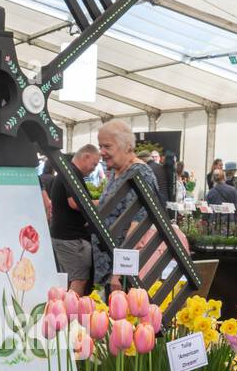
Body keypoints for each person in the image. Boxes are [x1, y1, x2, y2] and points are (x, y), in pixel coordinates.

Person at [93, 119, 161, 293]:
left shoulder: (139, 173)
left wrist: (119, 272)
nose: (102, 152)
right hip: (107, 269)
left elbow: (138, 227)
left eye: (107, 146)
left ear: (127, 146)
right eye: (100, 146)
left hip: (123, 275)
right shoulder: (116, 172)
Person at [49, 145, 100, 295]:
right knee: (79, 280)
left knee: (71, 280)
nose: (94, 168)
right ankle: (71, 317)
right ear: (86, 156)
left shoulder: (68, 172)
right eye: (94, 164)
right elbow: (76, 203)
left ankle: (64, 314)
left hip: (65, 236)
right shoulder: (72, 173)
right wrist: (104, 201)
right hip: (71, 239)